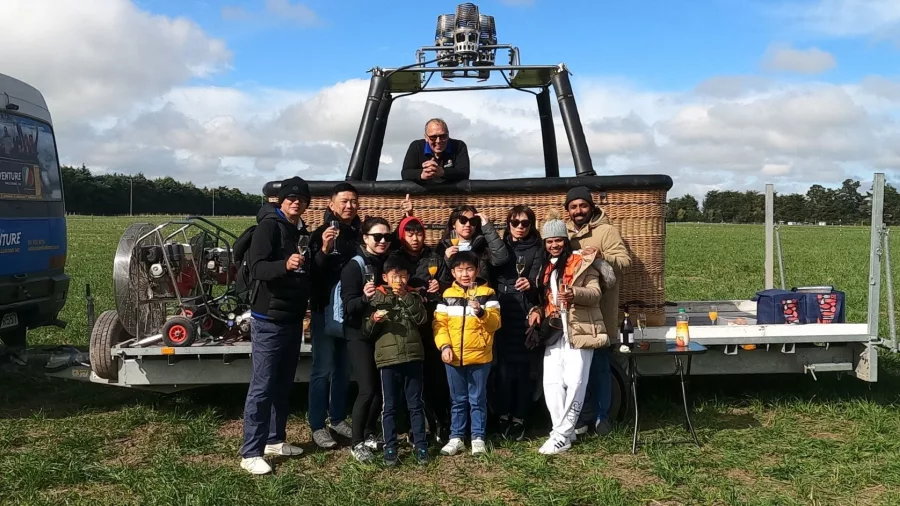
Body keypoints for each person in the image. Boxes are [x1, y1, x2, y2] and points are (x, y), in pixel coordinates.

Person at [239, 176, 312, 475]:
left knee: (283, 383)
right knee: (263, 385)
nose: (296, 201)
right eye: (291, 197)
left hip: (292, 317)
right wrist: (285, 265)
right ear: (280, 201)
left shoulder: (299, 230)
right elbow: (257, 268)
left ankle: (274, 439)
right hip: (268, 318)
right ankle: (250, 452)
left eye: (302, 198)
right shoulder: (269, 226)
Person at [536, 212, 613, 455]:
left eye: (558, 240)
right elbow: (543, 298)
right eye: (549, 241)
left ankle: (561, 434)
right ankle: (563, 432)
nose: (554, 245)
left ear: (565, 240)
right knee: (552, 383)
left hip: (579, 329)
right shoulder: (545, 267)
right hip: (554, 329)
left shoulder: (581, 262)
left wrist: (575, 294)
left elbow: (596, 293)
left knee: (576, 382)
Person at [563, 186, 631, 437]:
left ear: (591, 206)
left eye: (582, 205)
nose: (578, 211)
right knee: (577, 371)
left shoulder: (606, 231)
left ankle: (603, 418)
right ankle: (583, 417)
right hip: (573, 316)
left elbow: (625, 262)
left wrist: (602, 256)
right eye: (573, 207)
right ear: (567, 210)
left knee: (601, 367)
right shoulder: (564, 233)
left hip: (600, 314)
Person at [307, 183, 361, 449]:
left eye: (353, 201)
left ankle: (337, 418)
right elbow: (312, 275)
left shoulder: (359, 234)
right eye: (344, 201)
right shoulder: (320, 234)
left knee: (343, 368)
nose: (349, 206)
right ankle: (317, 425)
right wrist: (325, 251)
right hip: (325, 309)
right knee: (322, 368)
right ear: (331, 204)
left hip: (351, 310)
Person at [391, 212, 453, 444]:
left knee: (435, 377)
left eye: (418, 233)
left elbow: (447, 283)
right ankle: (412, 426)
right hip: (405, 323)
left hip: (431, 321)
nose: (415, 238)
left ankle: (441, 424)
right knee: (409, 379)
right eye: (410, 233)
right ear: (402, 235)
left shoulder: (433, 256)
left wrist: (441, 284)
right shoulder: (395, 257)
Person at [363, 255, 430, 466]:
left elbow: (422, 319)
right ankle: (391, 446)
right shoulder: (377, 298)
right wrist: (374, 320)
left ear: (408, 277)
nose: (399, 281)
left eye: (402, 276)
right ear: (385, 277)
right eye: (394, 276)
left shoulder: (414, 296)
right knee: (389, 406)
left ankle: (421, 445)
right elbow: (366, 331)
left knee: (416, 404)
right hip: (388, 360)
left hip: (413, 356)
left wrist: (407, 298)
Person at [433, 251, 501, 457]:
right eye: (460, 270)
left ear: (477, 271)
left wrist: (481, 312)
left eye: (469, 269)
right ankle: (456, 437)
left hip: (479, 356)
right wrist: (444, 346)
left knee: (477, 398)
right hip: (453, 357)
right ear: (453, 272)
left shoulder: (487, 293)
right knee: (457, 399)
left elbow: (495, 324)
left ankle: (478, 437)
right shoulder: (447, 295)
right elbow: (439, 324)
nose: (465, 274)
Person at [341, 217, 394, 463]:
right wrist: (363, 298)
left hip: (380, 331)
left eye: (386, 237)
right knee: (367, 389)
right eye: (377, 237)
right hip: (358, 333)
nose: (383, 241)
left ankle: (370, 433)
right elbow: (349, 307)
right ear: (365, 238)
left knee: (380, 390)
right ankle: (356, 442)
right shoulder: (354, 266)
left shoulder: (388, 262)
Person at [492, 205, 544, 440]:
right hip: (503, 310)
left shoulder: (538, 248)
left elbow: (540, 283)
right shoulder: (501, 246)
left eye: (525, 223)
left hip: (523, 312)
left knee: (523, 371)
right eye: (515, 223)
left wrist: (531, 286)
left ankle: (520, 417)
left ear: (531, 225)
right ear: (508, 224)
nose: (520, 227)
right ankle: (503, 415)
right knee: (503, 371)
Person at [436, 205, 509, 285]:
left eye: (472, 221)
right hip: (453, 294)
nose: (468, 224)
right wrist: (446, 261)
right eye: (463, 220)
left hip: (480, 293)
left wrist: (487, 227)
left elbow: (501, 259)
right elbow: (440, 279)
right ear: (453, 224)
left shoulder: (483, 245)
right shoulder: (443, 247)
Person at [401, 118, 470, 183]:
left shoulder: (459, 146)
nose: (438, 141)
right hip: (423, 193)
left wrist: (442, 172)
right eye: (433, 137)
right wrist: (422, 174)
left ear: (448, 135)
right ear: (426, 137)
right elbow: (405, 173)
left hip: (452, 194)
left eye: (443, 136)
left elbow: (464, 173)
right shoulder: (416, 146)